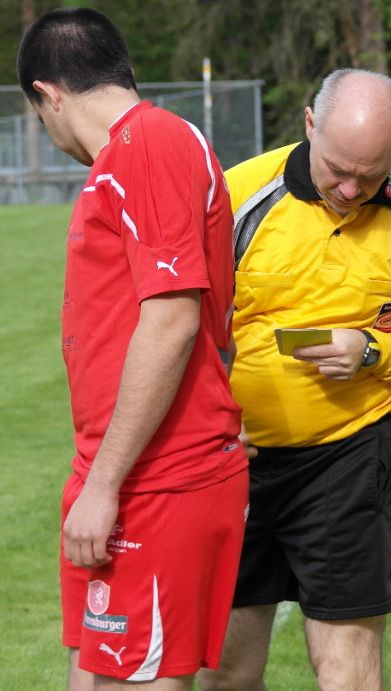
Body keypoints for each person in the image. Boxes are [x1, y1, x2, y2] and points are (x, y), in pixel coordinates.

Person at [197, 69, 391, 690]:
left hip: (352, 454)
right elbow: (188, 330)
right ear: (308, 124)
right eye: (338, 169)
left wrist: (374, 352)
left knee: (348, 668)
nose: (350, 188)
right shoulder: (236, 195)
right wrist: (209, 425)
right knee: (226, 673)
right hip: (235, 458)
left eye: (371, 174)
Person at [17, 8, 249, 690]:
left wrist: (106, 483)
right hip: (121, 469)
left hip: (156, 477)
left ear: (48, 95)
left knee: (136, 679)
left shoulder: (150, 144)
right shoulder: (136, 149)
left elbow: (174, 320)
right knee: (93, 673)